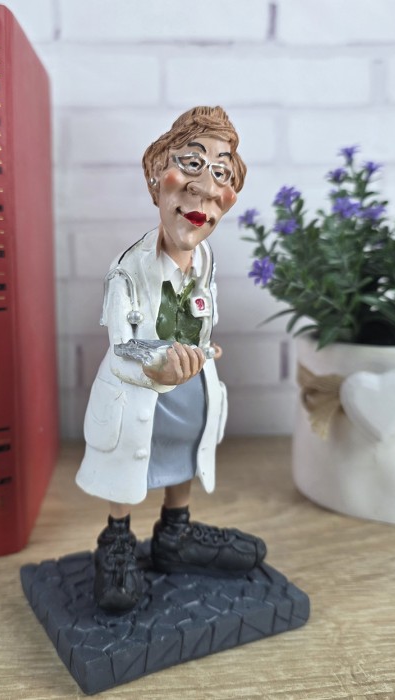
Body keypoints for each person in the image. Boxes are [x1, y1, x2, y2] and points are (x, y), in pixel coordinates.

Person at [75, 106, 266, 612]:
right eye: (192, 164)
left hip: (191, 387)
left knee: (183, 454)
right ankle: (118, 540)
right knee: (130, 465)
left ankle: (174, 534)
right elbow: (121, 344)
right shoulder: (127, 271)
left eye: (221, 173)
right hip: (141, 392)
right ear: (157, 178)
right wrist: (154, 364)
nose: (205, 187)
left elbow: (203, 316)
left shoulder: (205, 260)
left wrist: (205, 351)